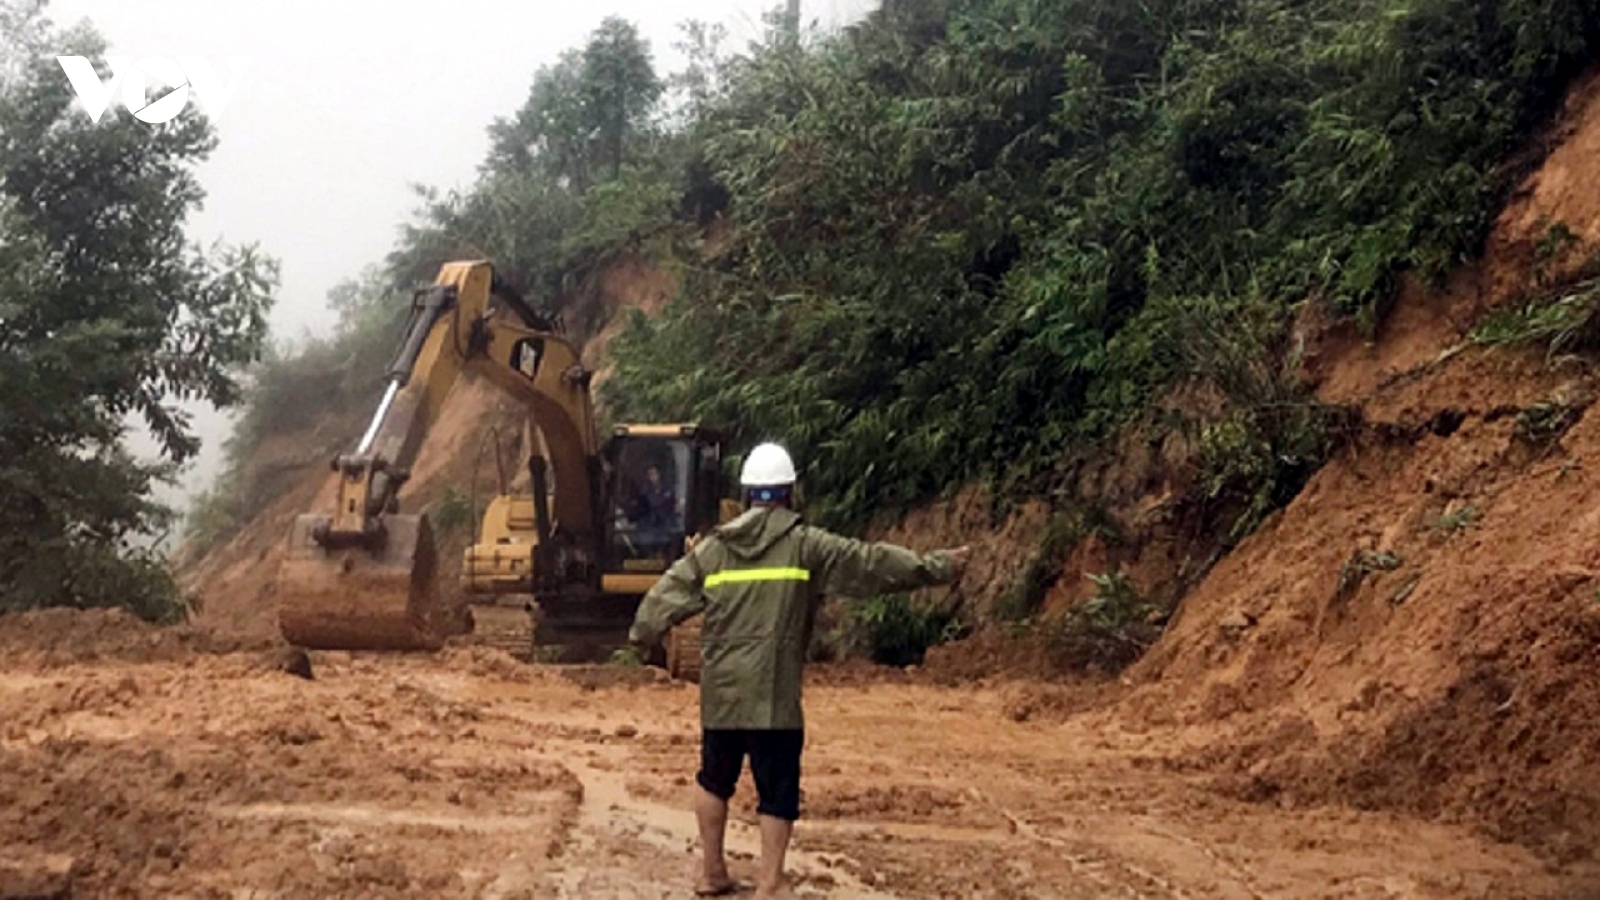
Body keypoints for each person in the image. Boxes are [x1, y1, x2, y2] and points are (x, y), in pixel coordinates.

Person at [629, 442, 971, 899]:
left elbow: (663, 598)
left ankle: (711, 871)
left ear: (748, 492)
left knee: (714, 778)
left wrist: (640, 641)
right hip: (773, 698)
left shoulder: (714, 550)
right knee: (777, 791)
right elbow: (870, 564)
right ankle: (770, 882)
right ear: (790, 493)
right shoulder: (807, 546)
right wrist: (936, 567)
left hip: (722, 696)